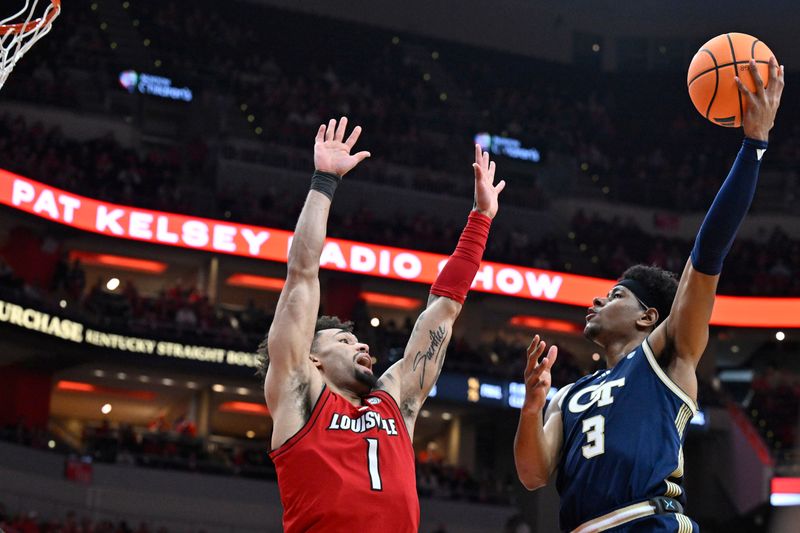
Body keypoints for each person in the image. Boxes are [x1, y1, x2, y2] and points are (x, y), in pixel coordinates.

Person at [514, 57, 784, 532]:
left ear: (647, 317)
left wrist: (753, 146)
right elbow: (533, 474)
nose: (597, 301)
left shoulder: (667, 355)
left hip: (649, 524)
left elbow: (709, 250)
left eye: (615, 294)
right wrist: (532, 405)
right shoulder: (569, 395)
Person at [259, 117, 505, 532]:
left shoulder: (395, 401)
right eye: (344, 339)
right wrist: (324, 181)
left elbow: (443, 310)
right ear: (313, 358)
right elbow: (303, 273)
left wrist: (481, 219)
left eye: (358, 341)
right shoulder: (298, 393)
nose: (363, 347)